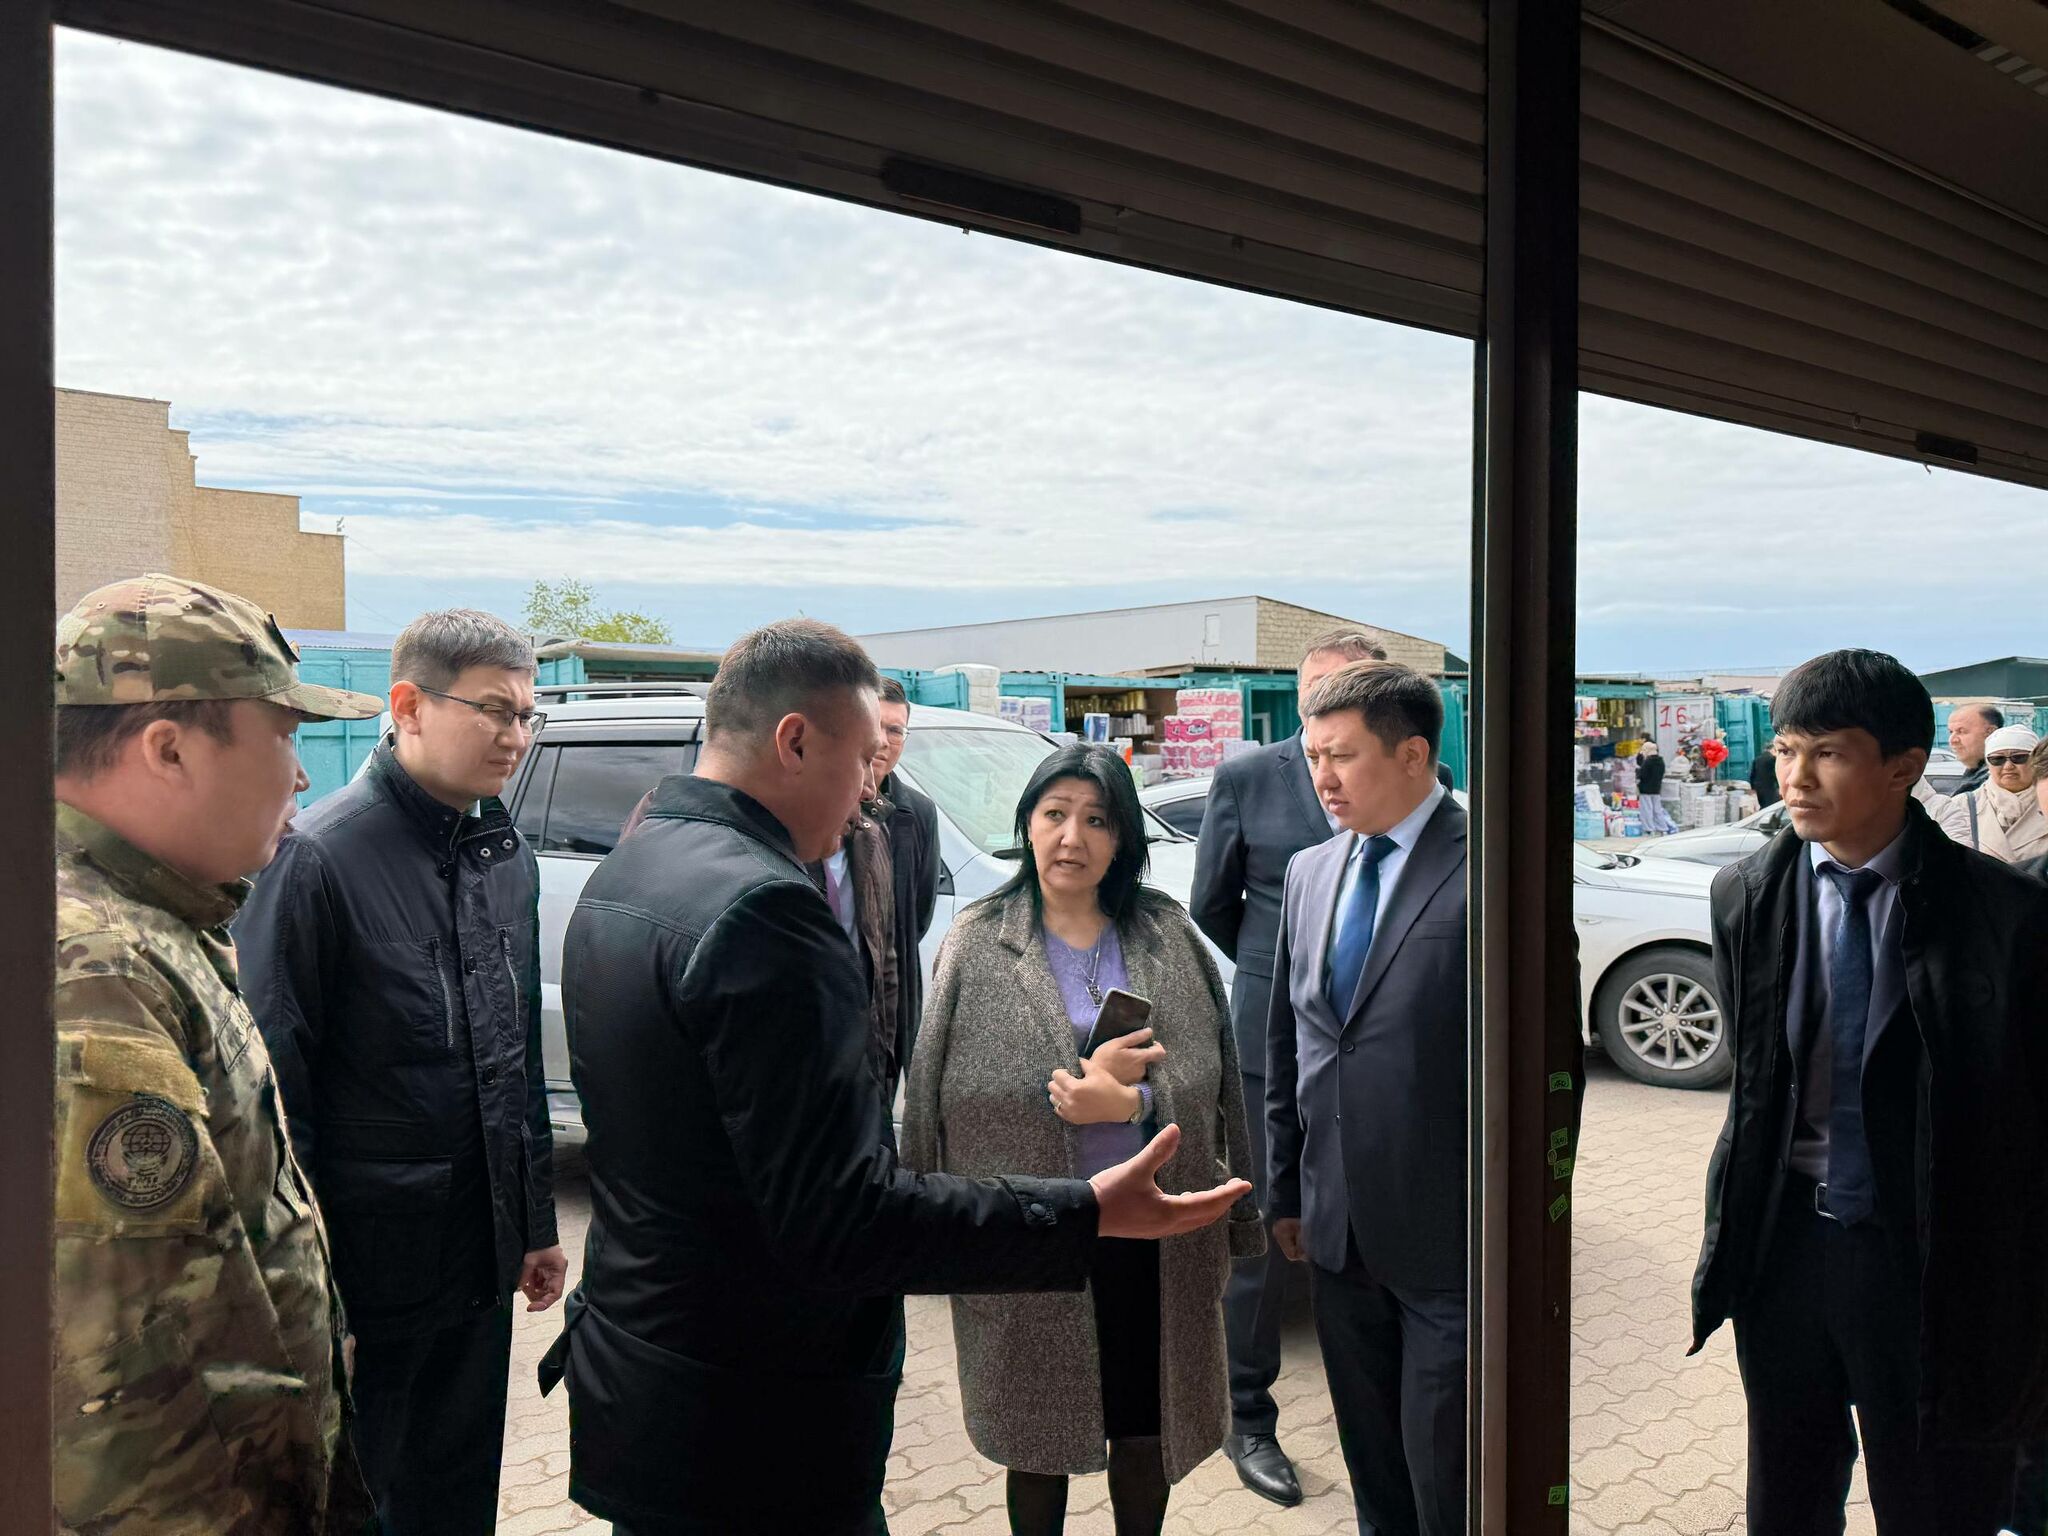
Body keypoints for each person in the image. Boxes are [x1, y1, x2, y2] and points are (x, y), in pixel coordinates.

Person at [543, 618, 1250, 1536]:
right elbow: (844, 1218)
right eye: (863, 761)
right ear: (796, 741)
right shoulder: (766, 912)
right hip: (756, 1414)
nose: (868, 799)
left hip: (648, 1374)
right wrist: (1082, 1212)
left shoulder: (627, 872)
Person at [48, 572, 384, 1532]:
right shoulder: (90, 965)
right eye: (285, 736)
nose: (303, 777)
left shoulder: (154, 920)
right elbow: (127, 1374)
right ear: (169, 749)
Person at [1690, 650, 2048, 1534]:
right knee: (1787, 1494)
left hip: (1932, 1258)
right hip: (1786, 1250)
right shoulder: (1746, 893)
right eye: (1785, 750)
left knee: (1937, 1499)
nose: (1796, 778)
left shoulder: (2005, 915)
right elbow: (1758, 1083)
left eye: (1828, 753)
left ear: (1903, 766)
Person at [237, 609, 564, 1534]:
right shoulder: (316, 859)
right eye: (493, 710)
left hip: (477, 1265)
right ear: (409, 707)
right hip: (369, 1280)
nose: (515, 736)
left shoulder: (502, 857)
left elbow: (513, 1063)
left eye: (526, 715)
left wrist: (534, 1222)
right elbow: (276, 1100)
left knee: (456, 1498)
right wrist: (309, 1296)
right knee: (361, 1502)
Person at [902, 745, 1262, 1535]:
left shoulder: (1165, 933)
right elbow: (936, 1092)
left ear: (1123, 835)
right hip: (1032, 1229)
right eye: (1055, 814)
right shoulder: (978, 939)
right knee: (1036, 1443)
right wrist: (925, 1231)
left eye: (1097, 820)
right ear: (1027, 825)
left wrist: (1130, 1101)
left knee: (1145, 1427)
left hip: (1150, 1234)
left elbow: (1212, 1075)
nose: (1073, 837)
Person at [1266, 661, 1470, 1536]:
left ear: (1413, 754)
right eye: (1314, 756)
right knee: (1375, 1469)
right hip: (1337, 1230)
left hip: (1453, 1240)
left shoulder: (1492, 864)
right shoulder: (1311, 871)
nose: (1323, 778)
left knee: (1448, 1475)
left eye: (1342, 756)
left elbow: (1548, 1072)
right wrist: (1286, 1191)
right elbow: (1290, 1043)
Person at [1187, 626, 1383, 1505]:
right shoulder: (1246, 779)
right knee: (1262, 1234)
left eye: (1345, 695)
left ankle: (1378, 1407)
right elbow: (1213, 904)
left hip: (1369, 1045)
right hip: (1271, 1041)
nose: (1325, 715)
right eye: (1315, 696)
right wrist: (1284, 972)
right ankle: (1246, 1418)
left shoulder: (1397, 779)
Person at [808, 762, 900, 1097]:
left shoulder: (871, 836)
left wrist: (883, 1057)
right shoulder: (767, 853)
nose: (872, 788)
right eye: (861, 759)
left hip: (861, 1063)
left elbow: (884, 955)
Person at [875, 675, 942, 1090]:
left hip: (890, 1012)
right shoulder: (819, 804)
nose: (883, 741)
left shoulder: (917, 813)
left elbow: (917, 916)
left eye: (896, 730)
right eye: (874, 726)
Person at [1934, 723, 2046, 866]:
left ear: (2035, 761)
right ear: (1988, 764)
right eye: (1997, 759)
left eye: (2019, 758)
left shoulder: (2045, 802)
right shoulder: (1961, 806)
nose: (2008, 766)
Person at [1945, 702, 2004, 796]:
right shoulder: (1975, 773)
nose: (1952, 740)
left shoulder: (2003, 779)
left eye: (1961, 731)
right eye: (1951, 732)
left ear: (1990, 732)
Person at [1637, 744, 1675, 834]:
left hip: (1645, 789)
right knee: (1657, 809)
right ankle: (1662, 827)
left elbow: (1642, 775)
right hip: (1656, 788)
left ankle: (1649, 828)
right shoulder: (1661, 762)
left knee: (1646, 809)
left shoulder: (1647, 762)